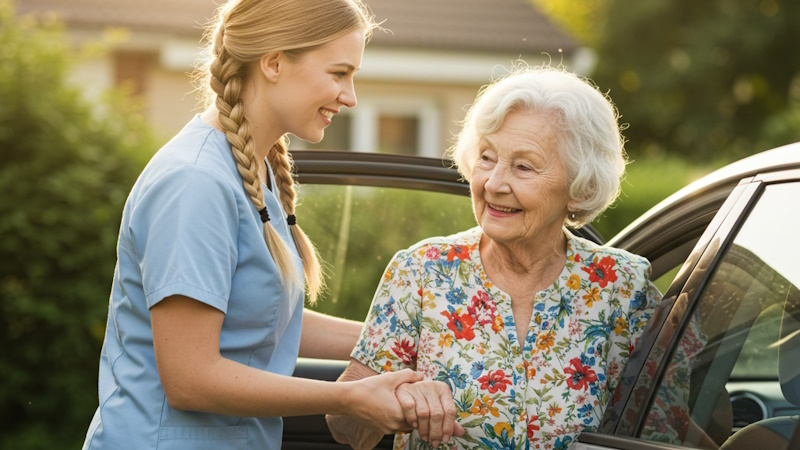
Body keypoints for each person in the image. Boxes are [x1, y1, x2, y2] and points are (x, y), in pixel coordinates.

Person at [81, 1, 460, 448]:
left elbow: (269, 321)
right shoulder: (194, 182)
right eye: (339, 73)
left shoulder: (252, 171)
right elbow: (189, 377)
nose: (351, 96)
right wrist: (348, 397)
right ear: (274, 62)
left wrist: (411, 335)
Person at [326, 66, 662, 449]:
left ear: (579, 187)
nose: (494, 183)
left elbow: (664, 430)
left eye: (523, 166)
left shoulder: (622, 286)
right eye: (486, 158)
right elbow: (344, 426)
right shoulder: (421, 272)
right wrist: (400, 400)